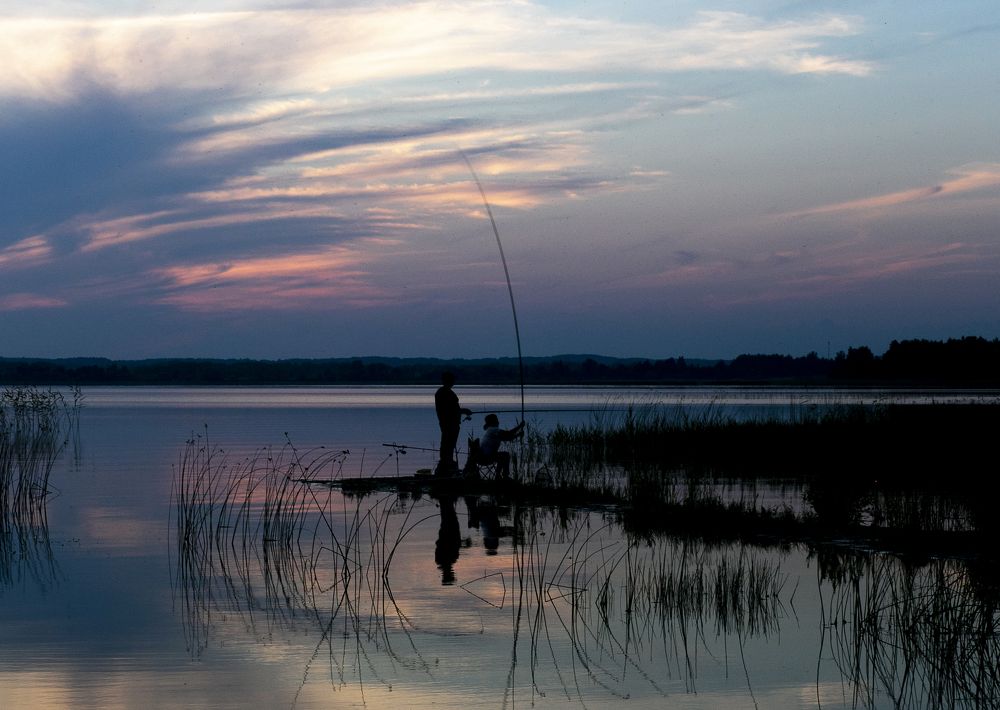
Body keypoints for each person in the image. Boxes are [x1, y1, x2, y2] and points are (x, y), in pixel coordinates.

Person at [435, 371, 471, 475]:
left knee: (449, 444)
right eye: (452, 380)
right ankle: (446, 463)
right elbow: (449, 410)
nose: (453, 382)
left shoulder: (445, 392)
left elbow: (453, 409)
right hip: (448, 424)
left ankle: (448, 462)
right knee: (448, 443)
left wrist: (462, 411)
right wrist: (464, 411)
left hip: (451, 423)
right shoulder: (443, 393)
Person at [477, 413, 525, 479]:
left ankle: (498, 475)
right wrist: (520, 426)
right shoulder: (493, 430)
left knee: (502, 455)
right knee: (505, 455)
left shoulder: (490, 430)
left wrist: (518, 435)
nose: (498, 422)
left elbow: (507, 438)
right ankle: (504, 476)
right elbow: (508, 434)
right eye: (497, 420)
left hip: (484, 457)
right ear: (494, 422)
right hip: (487, 458)